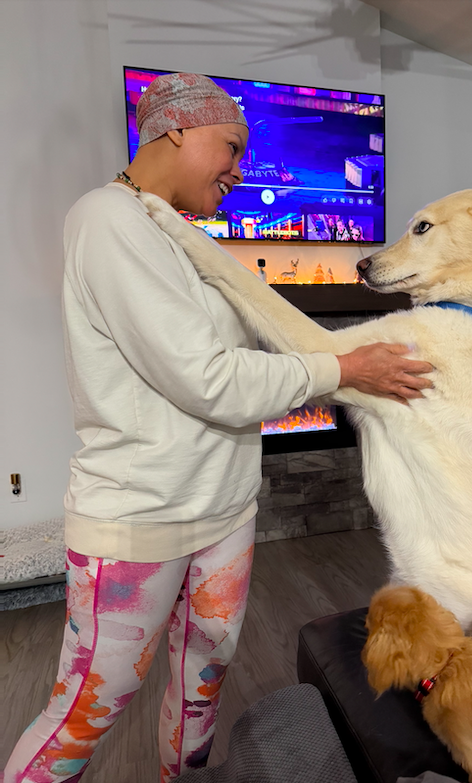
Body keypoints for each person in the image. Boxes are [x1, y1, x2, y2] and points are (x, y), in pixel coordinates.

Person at [4, 73, 433, 783]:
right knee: (85, 710)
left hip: (225, 512)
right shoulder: (107, 221)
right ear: (176, 128)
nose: (240, 170)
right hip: (140, 518)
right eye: (231, 146)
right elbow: (208, 379)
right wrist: (343, 367)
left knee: (200, 692)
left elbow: (244, 352)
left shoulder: (179, 234)